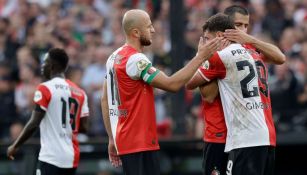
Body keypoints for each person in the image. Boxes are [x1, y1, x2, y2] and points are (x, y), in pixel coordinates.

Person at [101, 9, 223, 175]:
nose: (153, 30)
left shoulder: (113, 57)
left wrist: (111, 138)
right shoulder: (135, 60)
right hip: (140, 143)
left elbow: (105, 100)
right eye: (148, 26)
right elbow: (171, 84)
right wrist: (200, 57)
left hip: (126, 140)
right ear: (136, 32)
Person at [190, 5, 286, 175]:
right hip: (222, 134)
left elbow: (280, 58)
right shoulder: (231, 55)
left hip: (243, 135)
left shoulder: (247, 51)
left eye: (246, 26)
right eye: (238, 25)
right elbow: (209, 96)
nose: (242, 30)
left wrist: (249, 39)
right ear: (226, 27)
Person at [7, 48, 89, 175]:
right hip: (71, 157)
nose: (42, 66)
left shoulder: (45, 88)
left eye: (45, 63)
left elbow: (34, 122)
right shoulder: (80, 92)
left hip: (51, 156)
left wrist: (15, 145)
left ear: (52, 66)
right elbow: (84, 127)